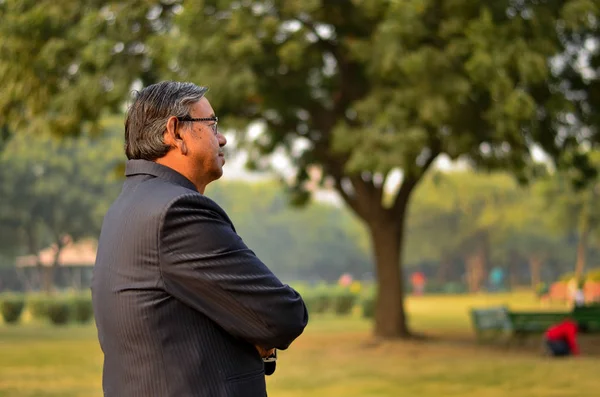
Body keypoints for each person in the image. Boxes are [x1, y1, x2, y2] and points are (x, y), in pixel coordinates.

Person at [92, 81, 309, 397]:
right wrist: (252, 330)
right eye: (212, 124)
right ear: (176, 132)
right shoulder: (177, 211)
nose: (222, 138)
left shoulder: (127, 207)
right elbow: (283, 315)